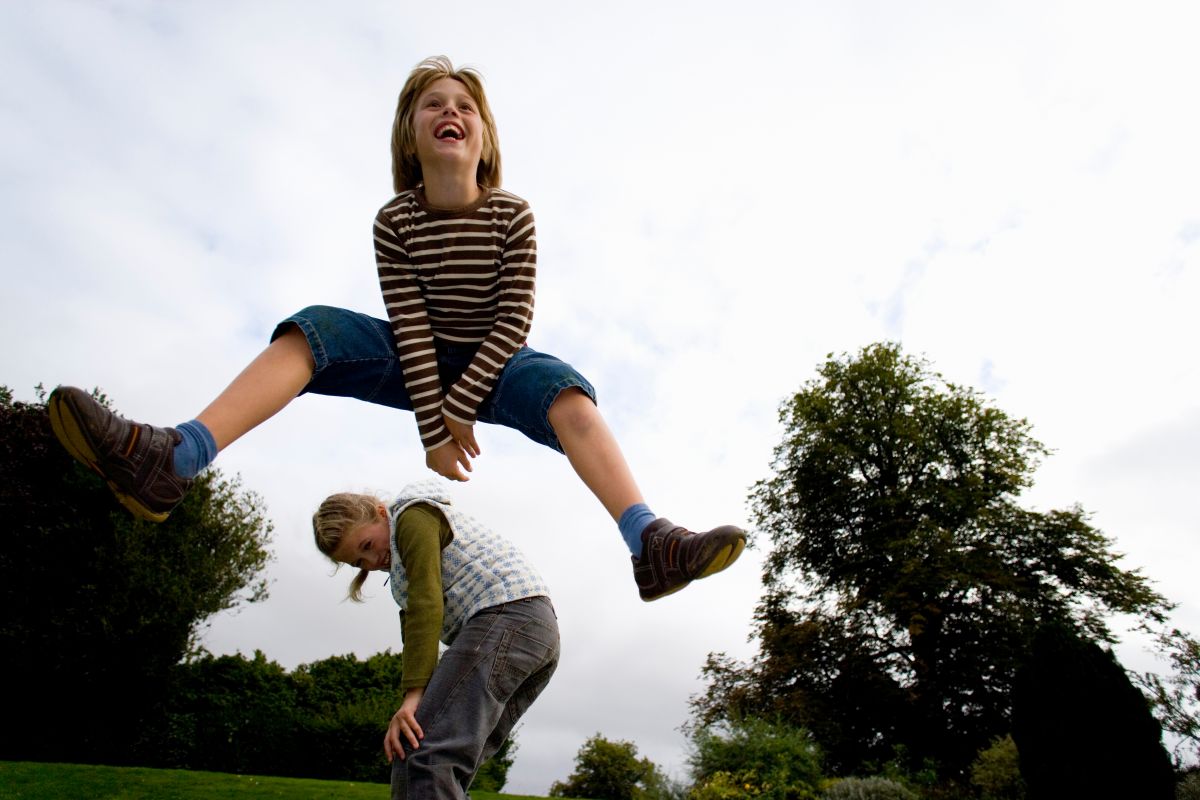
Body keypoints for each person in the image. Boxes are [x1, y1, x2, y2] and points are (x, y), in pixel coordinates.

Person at [48, 55, 744, 601]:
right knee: (315, 330)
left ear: (484, 137)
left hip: (497, 359)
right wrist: (433, 430)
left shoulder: (512, 215)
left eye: (465, 106)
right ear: (411, 137)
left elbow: (512, 322)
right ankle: (173, 459)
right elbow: (408, 327)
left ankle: (648, 541)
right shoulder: (396, 222)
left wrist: (460, 404)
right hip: (415, 357)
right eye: (433, 105)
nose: (450, 112)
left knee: (567, 395)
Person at [313, 480, 558, 799]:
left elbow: (426, 604)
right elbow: (416, 639)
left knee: (427, 755)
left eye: (367, 546)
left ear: (379, 512)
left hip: (510, 614)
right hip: (530, 634)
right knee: (416, 754)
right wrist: (414, 700)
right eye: (359, 563)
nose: (372, 562)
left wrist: (413, 697)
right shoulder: (401, 574)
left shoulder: (412, 517)